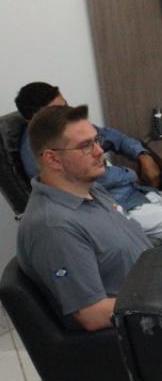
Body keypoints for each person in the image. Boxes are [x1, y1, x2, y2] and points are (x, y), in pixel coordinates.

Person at [15, 81, 162, 263]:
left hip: (138, 194)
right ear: (35, 120)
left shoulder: (72, 128)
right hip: (120, 209)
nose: (66, 114)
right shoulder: (42, 155)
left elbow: (115, 137)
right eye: (57, 111)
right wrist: (131, 174)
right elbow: (92, 187)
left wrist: (143, 155)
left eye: (66, 106)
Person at [16, 104, 153, 331]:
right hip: (147, 328)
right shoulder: (55, 227)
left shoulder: (90, 188)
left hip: (155, 287)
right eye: (86, 146)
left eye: (97, 140)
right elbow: (93, 315)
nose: (100, 151)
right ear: (53, 159)